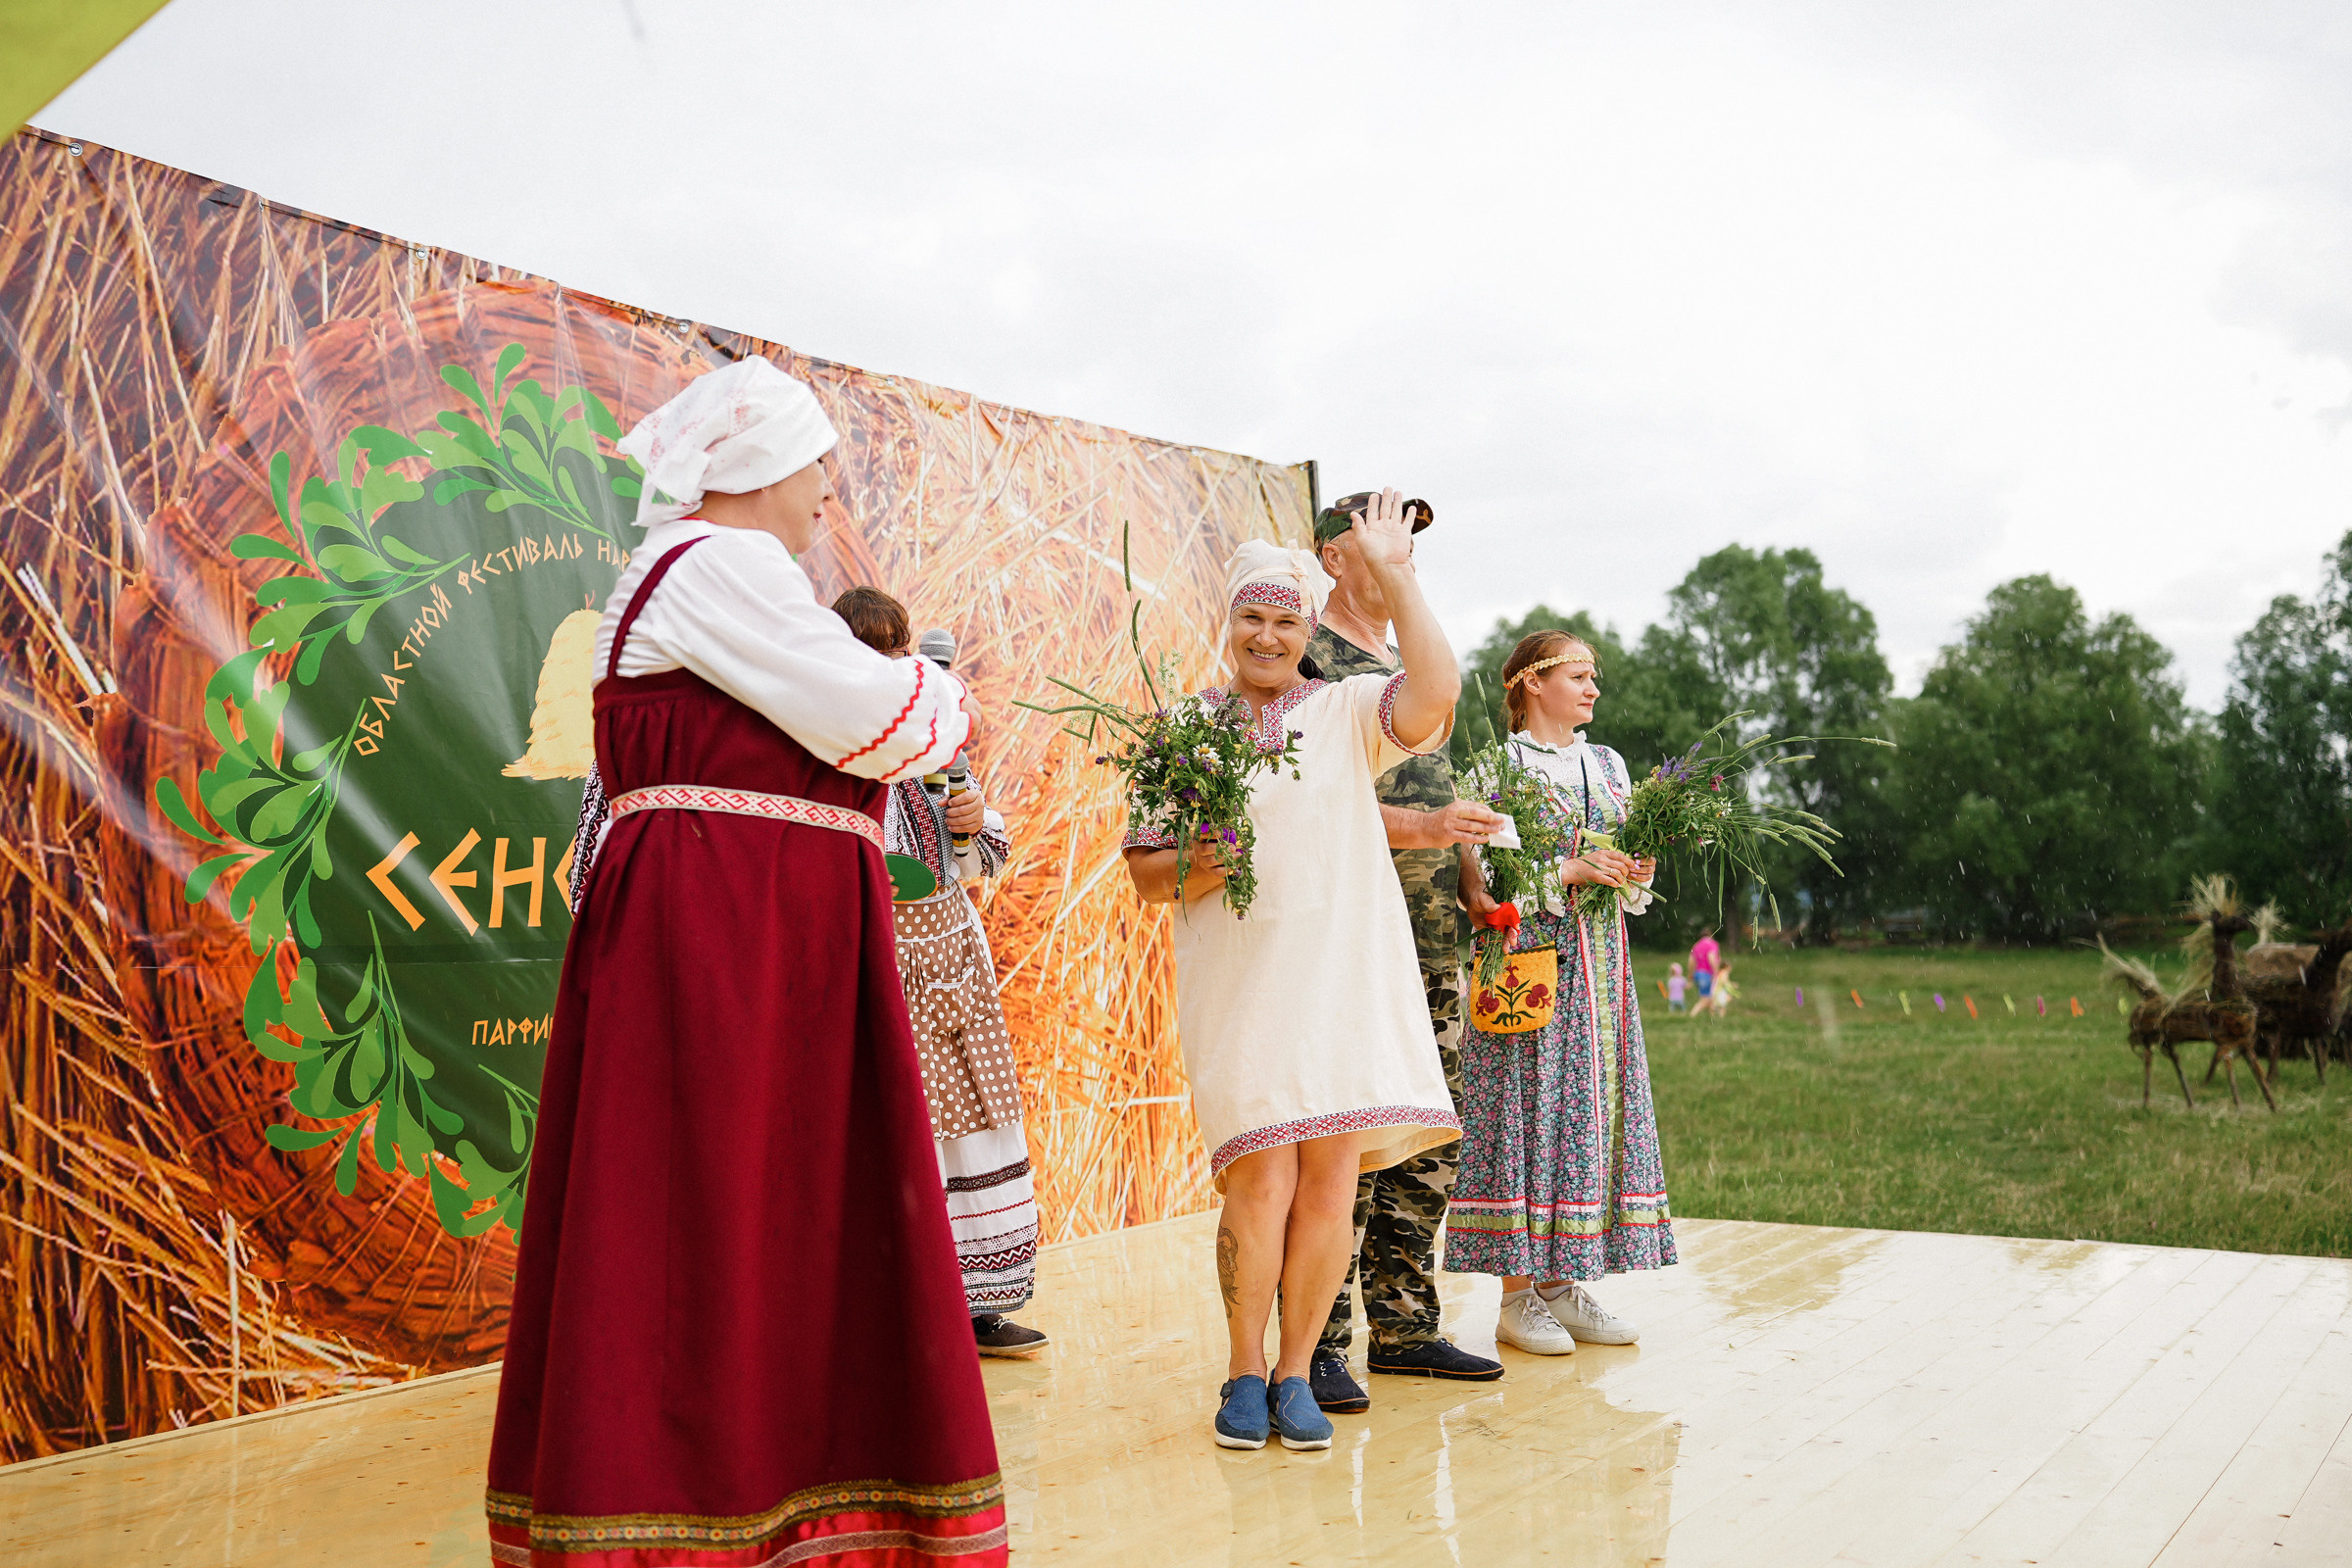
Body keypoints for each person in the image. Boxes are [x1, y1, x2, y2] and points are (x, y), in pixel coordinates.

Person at [488, 359, 1007, 1568]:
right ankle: (692, 1513)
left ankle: (778, 1500)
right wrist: (939, 687)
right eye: (819, 463)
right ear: (764, 466)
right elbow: (887, 721)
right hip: (728, 942)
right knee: (714, 1209)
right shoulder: (718, 565)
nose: (831, 490)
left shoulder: (707, 573)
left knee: (750, 1212)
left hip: (757, 939)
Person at [1121, 493, 1461, 1454]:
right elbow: (1148, 871)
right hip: (1242, 987)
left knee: (1326, 1183)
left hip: (1341, 981)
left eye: (1284, 618)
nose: (1267, 634)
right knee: (1259, 1182)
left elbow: (1436, 691)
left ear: (1308, 626)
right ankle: (1240, 1367)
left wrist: (1396, 575)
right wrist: (1206, 860)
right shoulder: (1182, 729)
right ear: (1227, 624)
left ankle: (1295, 1370)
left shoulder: (1347, 709)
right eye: (1251, 616)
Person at [1302, 491, 1507, 1412]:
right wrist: (1420, 825)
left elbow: (1443, 781)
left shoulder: (1412, 660)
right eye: (1378, 541)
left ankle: (1406, 1326)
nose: (1398, 559)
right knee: (1348, 1143)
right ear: (1332, 556)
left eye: (1410, 546)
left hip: (1435, 935)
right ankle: (1319, 1344)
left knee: (1428, 1138)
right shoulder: (1303, 656)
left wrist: (1467, 868)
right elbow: (1303, 801)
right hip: (1352, 938)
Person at [833, 585, 1048, 1357]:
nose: (892, 663)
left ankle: (980, 1304)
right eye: (872, 650)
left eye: (898, 649)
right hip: (884, 965)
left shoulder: (933, 752)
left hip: (953, 956)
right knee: (907, 1125)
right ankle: (908, 1304)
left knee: (976, 1122)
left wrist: (970, 817)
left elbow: (978, 858)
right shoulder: (834, 756)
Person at [1452, 629, 1678, 1357]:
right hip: (1528, 964)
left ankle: (1558, 1284)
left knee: (1584, 1114)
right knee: (1528, 1110)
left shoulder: (1608, 765)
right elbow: (1482, 885)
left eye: (1593, 677)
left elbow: (1622, 878)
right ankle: (1516, 1297)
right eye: (1578, 676)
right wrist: (1569, 875)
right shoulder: (1497, 766)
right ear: (1531, 683)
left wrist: (1631, 870)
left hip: (1602, 970)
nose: (1593, 690)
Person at [1690, 927, 1722, 1016]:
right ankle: (1692, 1015)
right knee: (1706, 999)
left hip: (1698, 973)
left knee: (1710, 997)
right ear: (1711, 935)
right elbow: (1711, 958)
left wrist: (1691, 975)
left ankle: (1712, 1019)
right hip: (1707, 974)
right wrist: (1716, 973)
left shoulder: (1696, 945)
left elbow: (1691, 962)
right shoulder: (1712, 944)